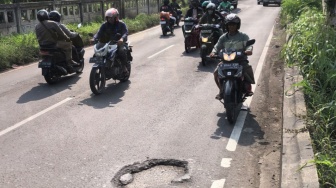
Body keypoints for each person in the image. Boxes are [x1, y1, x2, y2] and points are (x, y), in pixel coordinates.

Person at [209, 13, 255, 99]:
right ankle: (221, 90)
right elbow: (217, 46)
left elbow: (249, 44)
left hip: (240, 60)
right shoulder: (223, 37)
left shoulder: (243, 36)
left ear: (237, 25)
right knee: (216, 73)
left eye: (233, 25)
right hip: (226, 60)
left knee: (246, 69)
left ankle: (248, 88)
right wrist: (213, 52)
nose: (231, 27)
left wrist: (248, 50)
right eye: (229, 25)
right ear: (226, 26)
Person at [93, 8, 129, 74]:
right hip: (107, 43)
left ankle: (124, 67)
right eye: (108, 18)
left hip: (118, 42)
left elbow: (125, 32)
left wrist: (122, 39)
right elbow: (99, 33)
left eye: (111, 18)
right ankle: (104, 65)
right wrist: (94, 38)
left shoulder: (121, 24)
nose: (110, 19)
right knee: (98, 53)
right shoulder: (104, 25)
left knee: (121, 50)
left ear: (116, 17)